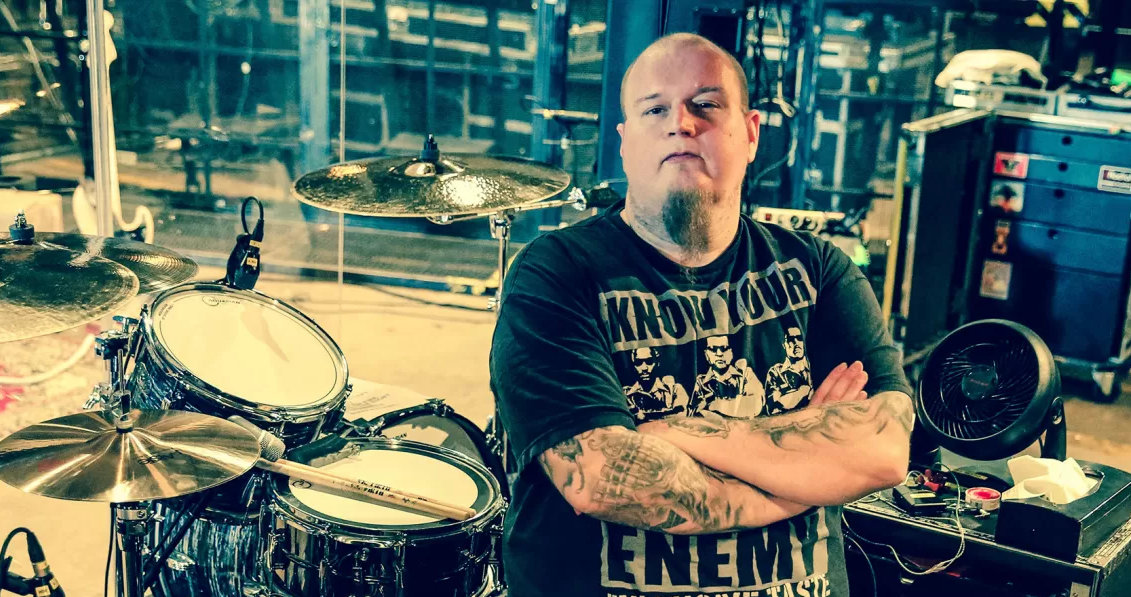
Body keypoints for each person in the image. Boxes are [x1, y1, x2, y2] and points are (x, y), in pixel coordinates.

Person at [489, 32, 914, 597]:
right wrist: (806, 474)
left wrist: (672, 435)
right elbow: (606, 480)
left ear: (751, 133)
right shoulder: (556, 273)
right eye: (655, 109)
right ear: (624, 143)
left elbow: (885, 451)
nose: (681, 124)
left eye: (707, 104)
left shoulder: (816, 270)